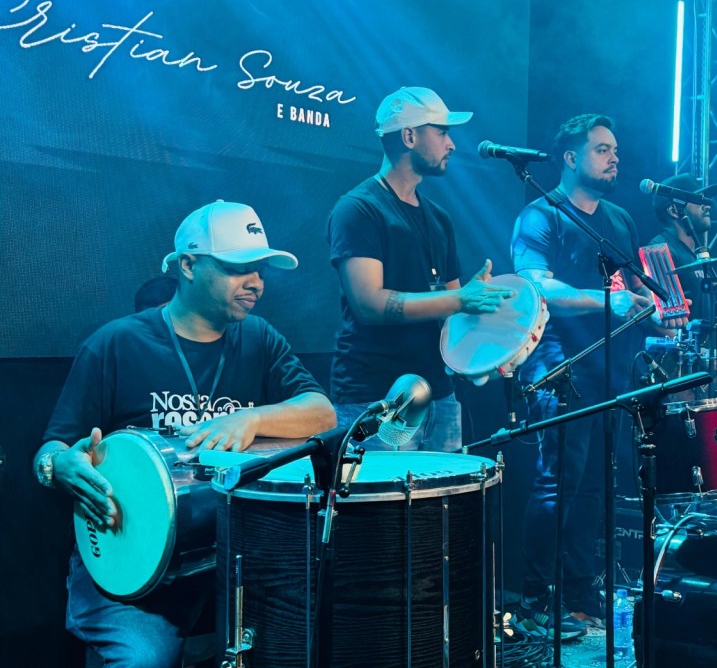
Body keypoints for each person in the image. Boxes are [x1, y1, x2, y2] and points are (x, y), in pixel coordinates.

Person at [32, 200, 337, 668]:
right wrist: (59, 465)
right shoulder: (116, 343)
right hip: (134, 561)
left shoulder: (259, 338)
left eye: (259, 269)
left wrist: (252, 419)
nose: (256, 282)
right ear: (189, 266)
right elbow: (52, 448)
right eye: (238, 268)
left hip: (231, 556)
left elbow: (321, 412)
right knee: (144, 658)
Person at [510, 113, 668, 638]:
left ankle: (578, 592)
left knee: (596, 485)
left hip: (611, 367)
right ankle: (534, 598)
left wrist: (651, 307)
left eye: (615, 150)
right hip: (559, 364)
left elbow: (630, 287)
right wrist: (608, 301)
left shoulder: (619, 219)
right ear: (571, 157)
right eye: (602, 149)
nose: (614, 158)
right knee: (558, 480)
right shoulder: (541, 215)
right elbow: (536, 287)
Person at [325, 86, 514, 452]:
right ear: (409, 136)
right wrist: (460, 299)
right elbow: (369, 304)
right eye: (442, 132)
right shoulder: (358, 209)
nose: (451, 144)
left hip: (439, 395)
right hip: (376, 397)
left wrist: (484, 343)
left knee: (443, 490)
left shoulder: (439, 218)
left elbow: (451, 312)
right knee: (381, 490)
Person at [645, 173, 717, 377]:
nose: (707, 205)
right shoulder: (659, 251)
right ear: (674, 210)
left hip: (701, 365)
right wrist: (699, 354)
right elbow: (661, 321)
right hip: (679, 370)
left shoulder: (698, 255)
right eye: (698, 201)